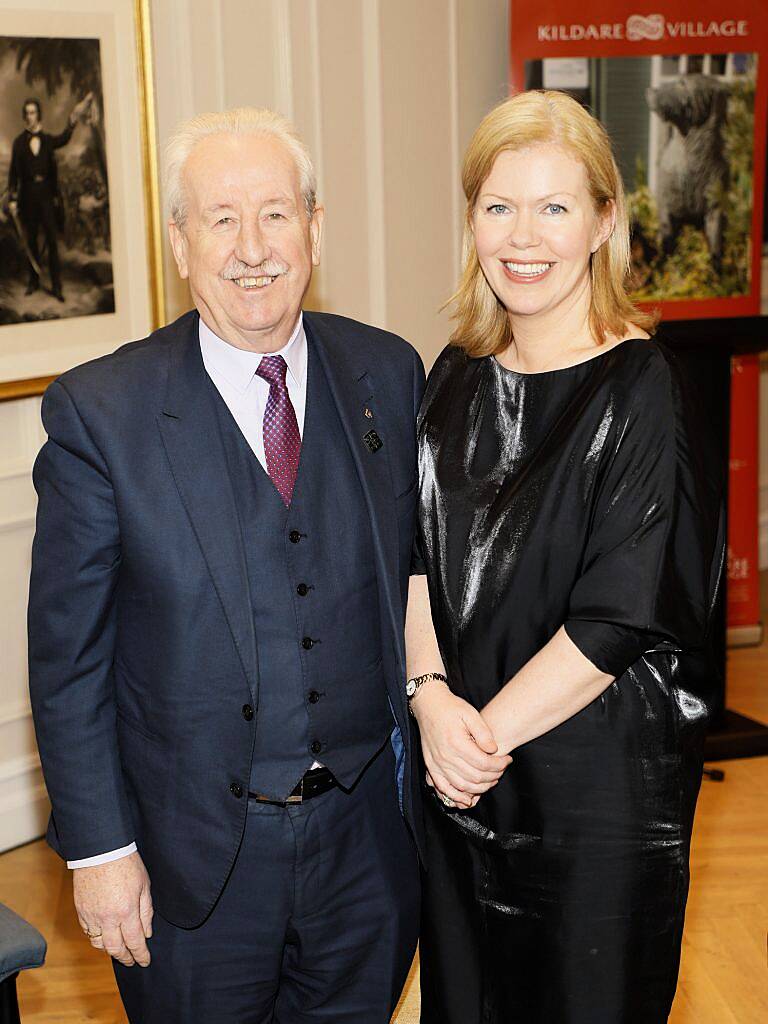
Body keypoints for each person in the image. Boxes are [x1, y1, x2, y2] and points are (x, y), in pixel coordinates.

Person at [28, 106, 424, 1024]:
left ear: (315, 229)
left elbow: (420, 579)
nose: (253, 248)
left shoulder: (389, 375)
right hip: (190, 868)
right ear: (180, 243)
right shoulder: (103, 414)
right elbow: (69, 661)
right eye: (221, 219)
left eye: (277, 214)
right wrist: (99, 854)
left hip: (366, 849)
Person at [405, 90, 724, 1023]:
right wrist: (430, 702)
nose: (524, 236)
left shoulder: (647, 390)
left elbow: (618, 616)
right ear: (471, 220)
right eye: (499, 206)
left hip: (596, 807)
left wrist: (479, 740)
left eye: (554, 207)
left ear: (604, 221)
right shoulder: (455, 373)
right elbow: (412, 560)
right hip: (461, 785)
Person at [7, 96, 89, 301]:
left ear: (38, 115)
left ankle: (57, 286)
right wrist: (13, 198)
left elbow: (64, 139)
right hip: (27, 199)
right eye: (27, 113)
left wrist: (72, 121)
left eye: (33, 112)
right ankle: (34, 282)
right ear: (24, 116)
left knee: (52, 242)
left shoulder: (46, 140)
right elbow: (13, 173)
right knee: (31, 242)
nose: (29, 117)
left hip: (46, 199)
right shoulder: (18, 143)